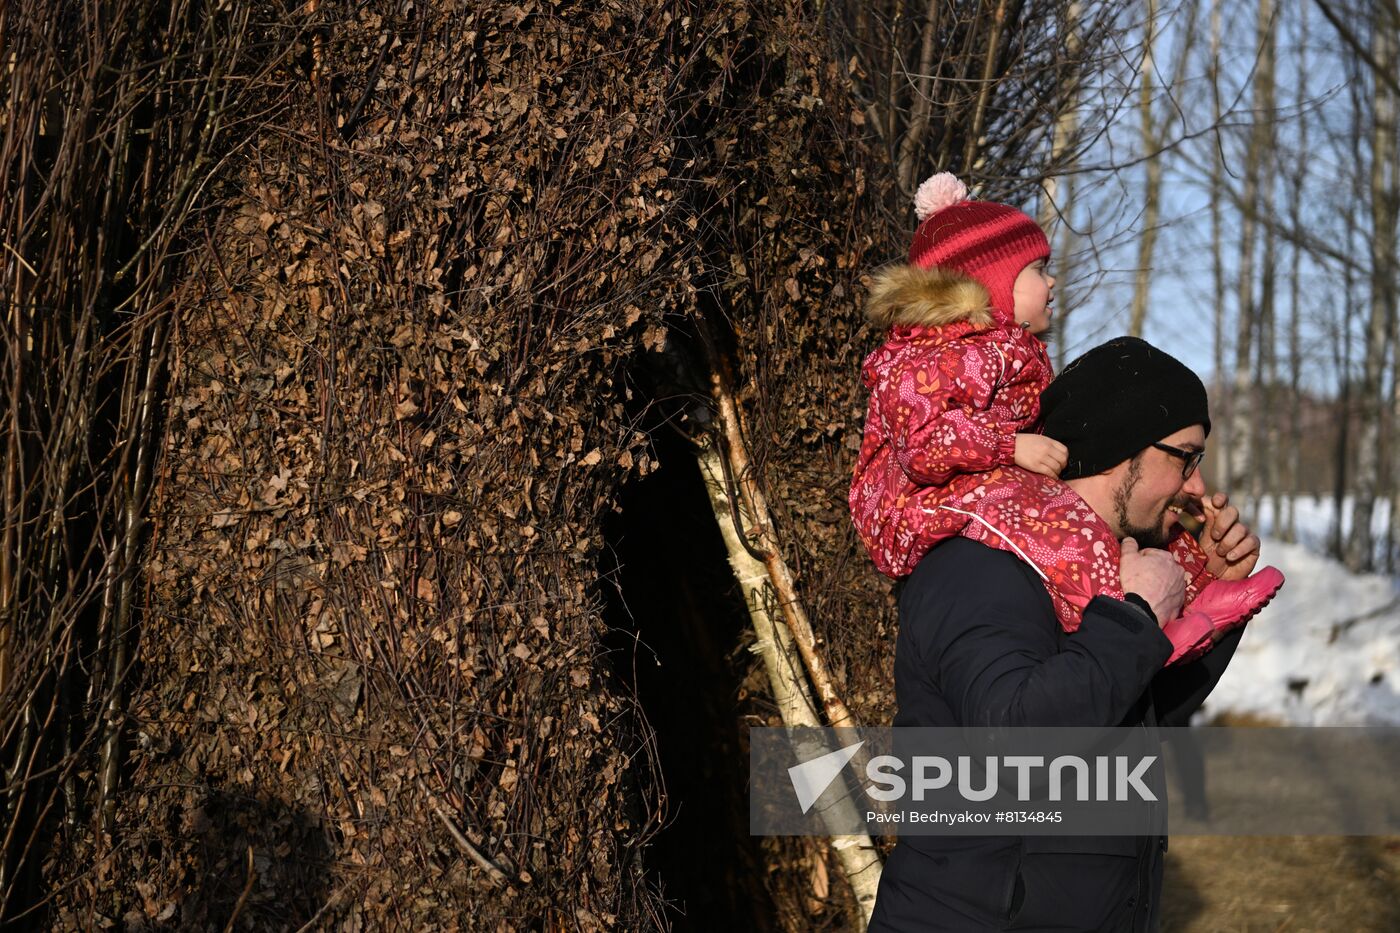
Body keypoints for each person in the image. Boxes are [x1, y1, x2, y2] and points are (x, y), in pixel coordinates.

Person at [868, 337, 1268, 932]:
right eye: (1184, 456)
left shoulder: (1091, 571)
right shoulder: (984, 563)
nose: (1195, 485)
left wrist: (1209, 598)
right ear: (1118, 446)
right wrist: (1135, 615)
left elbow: (1134, 720)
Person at [849, 175, 1281, 662]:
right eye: (1037, 269)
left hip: (972, 483)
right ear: (989, 281)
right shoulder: (937, 356)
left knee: (1091, 522)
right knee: (1065, 530)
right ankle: (1140, 624)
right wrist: (1009, 447)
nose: (1051, 281)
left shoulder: (1006, 351)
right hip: (914, 501)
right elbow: (921, 445)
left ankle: (1199, 588)